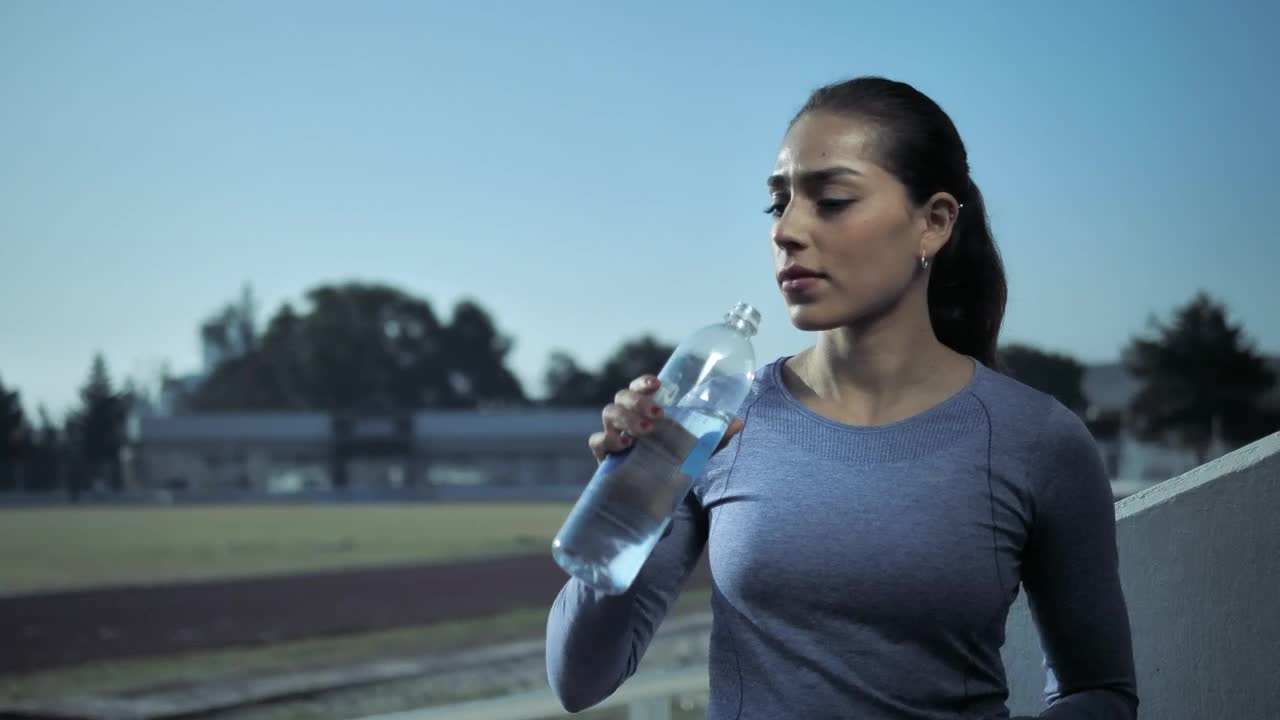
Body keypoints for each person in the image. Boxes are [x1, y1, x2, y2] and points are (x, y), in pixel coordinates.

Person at [545, 76, 1138, 719]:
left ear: (934, 223)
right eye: (778, 204)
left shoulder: (1038, 440)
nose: (788, 230)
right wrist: (628, 487)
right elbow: (579, 683)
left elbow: (1098, 692)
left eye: (830, 199)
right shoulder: (720, 421)